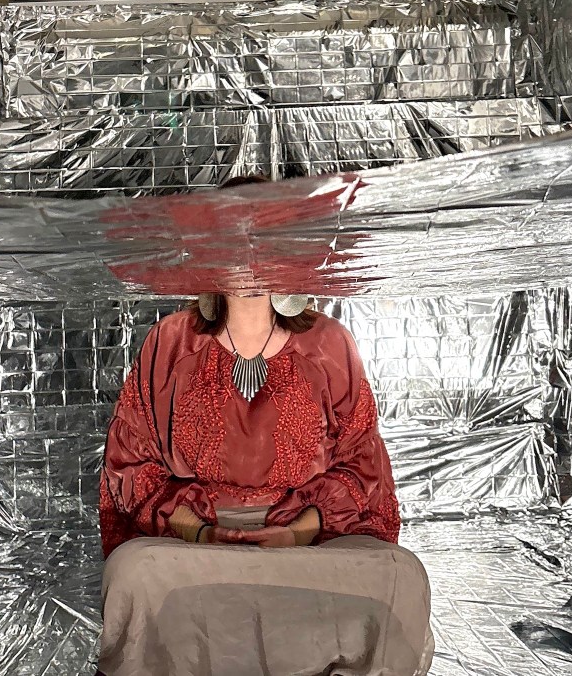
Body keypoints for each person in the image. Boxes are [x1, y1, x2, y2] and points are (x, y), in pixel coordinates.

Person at [96, 175, 435, 676]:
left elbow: (362, 466)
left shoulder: (330, 343)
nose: (249, 256)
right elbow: (131, 467)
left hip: (308, 542)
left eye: (263, 236)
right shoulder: (169, 341)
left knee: (399, 575)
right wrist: (202, 534)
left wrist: (295, 534)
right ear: (209, 249)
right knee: (133, 573)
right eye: (233, 237)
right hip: (197, 543)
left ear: (286, 249)